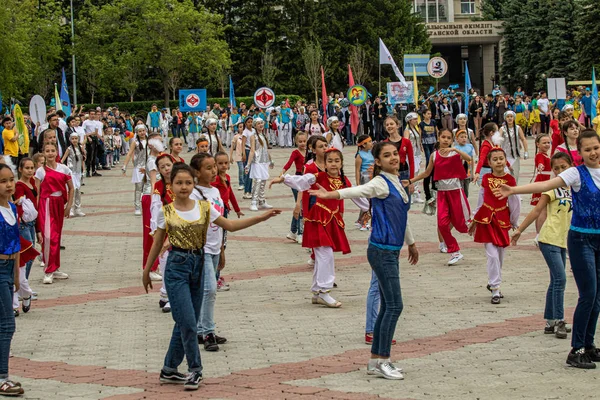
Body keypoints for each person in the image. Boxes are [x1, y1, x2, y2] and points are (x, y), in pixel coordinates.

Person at [142, 163, 279, 390]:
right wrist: (147, 271)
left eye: (188, 182)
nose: (184, 187)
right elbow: (157, 242)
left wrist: (261, 219)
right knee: (187, 322)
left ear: (194, 184)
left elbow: (231, 226)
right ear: (171, 185)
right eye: (179, 183)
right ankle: (195, 370)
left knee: (188, 321)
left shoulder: (205, 207)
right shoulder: (165, 211)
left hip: (199, 263)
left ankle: (169, 369)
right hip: (176, 268)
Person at [308, 141, 419, 380]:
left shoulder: (398, 182)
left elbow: (401, 216)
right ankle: (383, 360)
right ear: (377, 161)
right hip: (381, 250)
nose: (393, 158)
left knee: (388, 306)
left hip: (391, 249)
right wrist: (331, 194)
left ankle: (375, 361)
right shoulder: (380, 182)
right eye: (387, 156)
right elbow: (358, 191)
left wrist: (411, 242)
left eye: (395, 154)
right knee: (395, 306)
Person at [494, 129, 600, 369]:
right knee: (589, 293)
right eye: (587, 149)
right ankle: (577, 349)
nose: (593, 152)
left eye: (596, 147)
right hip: (581, 239)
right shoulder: (575, 173)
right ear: (580, 153)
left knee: (598, 297)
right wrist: (513, 190)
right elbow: (545, 184)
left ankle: (590, 346)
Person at [270, 148, 365, 307]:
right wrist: (283, 179)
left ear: (341, 163)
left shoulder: (344, 181)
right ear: (325, 164)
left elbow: (356, 195)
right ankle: (324, 291)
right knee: (325, 255)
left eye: (337, 161)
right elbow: (301, 181)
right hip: (318, 220)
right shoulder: (318, 176)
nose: (334, 164)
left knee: (323, 255)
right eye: (330, 161)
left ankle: (317, 291)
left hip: (332, 220)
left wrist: (371, 207)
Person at [511, 152, 573, 339]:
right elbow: (537, 210)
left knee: (556, 280)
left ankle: (550, 321)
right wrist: (520, 230)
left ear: (571, 166)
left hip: (563, 240)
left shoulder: (574, 188)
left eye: (564, 167)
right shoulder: (551, 190)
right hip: (548, 239)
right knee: (561, 279)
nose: (560, 171)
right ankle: (560, 320)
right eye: (556, 168)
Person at [408, 129, 472, 265]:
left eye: (449, 138)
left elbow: (469, 159)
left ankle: (483, 225)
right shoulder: (434, 155)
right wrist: (410, 181)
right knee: (442, 224)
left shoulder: (455, 153)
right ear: (438, 138)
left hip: (456, 192)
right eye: (443, 137)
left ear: (452, 140)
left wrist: (455, 149)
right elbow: (426, 173)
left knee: (462, 224)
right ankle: (455, 251)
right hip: (442, 193)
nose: (446, 140)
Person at [469, 147, 520, 304]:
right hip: (486, 220)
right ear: (489, 163)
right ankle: (495, 289)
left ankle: (493, 281)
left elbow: (514, 202)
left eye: (501, 158)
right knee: (491, 255)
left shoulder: (510, 180)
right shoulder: (486, 179)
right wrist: (474, 219)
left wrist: (514, 221)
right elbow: (481, 199)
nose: (499, 161)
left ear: (505, 160)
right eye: (495, 159)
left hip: (502, 220)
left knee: (499, 255)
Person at [0, 163, 26, 396]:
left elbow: (16, 243)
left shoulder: (12, 207)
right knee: (7, 324)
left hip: (9, 267)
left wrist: (16, 273)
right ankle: (2, 377)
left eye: (11, 180)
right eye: (3, 181)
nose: (9, 185)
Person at [35, 143, 74, 285]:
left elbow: (71, 188)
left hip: (58, 204)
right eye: (47, 151)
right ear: (43, 153)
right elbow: (37, 192)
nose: (50, 153)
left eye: (53, 151)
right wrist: (35, 210)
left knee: (56, 236)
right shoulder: (40, 171)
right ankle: (48, 270)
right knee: (48, 237)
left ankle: (55, 267)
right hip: (46, 204)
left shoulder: (64, 169)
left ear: (57, 152)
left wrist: (68, 206)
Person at [149, 153, 176, 313]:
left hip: (181, 227)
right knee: (165, 262)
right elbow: (155, 209)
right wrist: (155, 230)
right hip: (165, 228)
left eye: (168, 165)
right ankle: (166, 295)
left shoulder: (180, 181)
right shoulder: (159, 187)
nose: (166, 169)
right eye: (162, 167)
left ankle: (168, 295)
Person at [281, 131, 307, 243]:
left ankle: (292, 231)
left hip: (307, 180)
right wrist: (281, 173)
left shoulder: (309, 152)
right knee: (300, 206)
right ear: (296, 141)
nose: (302, 143)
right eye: (300, 141)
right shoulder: (295, 152)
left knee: (300, 206)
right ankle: (300, 233)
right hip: (297, 180)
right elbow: (289, 163)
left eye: (304, 141)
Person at [246, 118, 274, 211]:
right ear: (255, 125)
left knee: (263, 181)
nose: (261, 125)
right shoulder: (253, 136)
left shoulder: (263, 135)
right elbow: (252, 150)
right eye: (258, 123)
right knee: (257, 181)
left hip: (264, 161)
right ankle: (253, 202)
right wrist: (248, 164)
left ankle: (261, 201)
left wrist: (270, 160)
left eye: (262, 123)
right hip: (257, 161)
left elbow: (265, 149)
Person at [121, 125, 148, 216]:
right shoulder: (135, 142)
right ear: (137, 132)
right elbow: (129, 154)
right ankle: (137, 207)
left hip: (148, 167)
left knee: (147, 188)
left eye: (143, 130)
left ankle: (147, 205)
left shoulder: (150, 141)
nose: (142, 133)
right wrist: (125, 165)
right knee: (139, 188)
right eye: (140, 131)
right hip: (139, 168)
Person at [61, 132, 86, 217]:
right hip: (71, 172)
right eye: (73, 139)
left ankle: (77, 208)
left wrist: (84, 170)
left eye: (76, 138)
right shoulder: (69, 149)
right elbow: (63, 159)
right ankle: (70, 208)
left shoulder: (80, 148)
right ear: (70, 140)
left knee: (78, 190)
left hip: (78, 172)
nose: (74, 140)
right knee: (72, 189)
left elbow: (82, 160)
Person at [500, 111, 528, 183]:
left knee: (515, 176)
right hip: (505, 155)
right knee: (505, 176)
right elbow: (498, 140)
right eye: (508, 117)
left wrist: (526, 151)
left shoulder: (518, 128)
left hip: (515, 155)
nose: (510, 118)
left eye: (511, 117)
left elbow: (523, 139)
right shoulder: (502, 129)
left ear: (514, 118)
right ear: (505, 118)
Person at [354, 135, 375, 231]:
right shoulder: (360, 155)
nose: (371, 143)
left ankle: (359, 220)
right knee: (366, 202)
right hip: (365, 179)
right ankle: (364, 222)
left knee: (369, 201)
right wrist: (358, 183)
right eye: (369, 142)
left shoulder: (372, 153)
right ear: (363, 144)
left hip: (372, 177)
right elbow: (357, 170)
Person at [403, 113, 424, 203]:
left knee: (416, 173)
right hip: (411, 154)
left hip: (417, 154)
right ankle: (409, 194)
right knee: (412, 174)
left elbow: (418, 140)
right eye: (414, 119)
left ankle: (415, 193)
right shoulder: (407, 130)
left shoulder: (416, 129)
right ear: (409, 120)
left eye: (416, 119)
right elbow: (406, 142)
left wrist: (420, 146)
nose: (416, 121)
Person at [530, 135, 552, 209]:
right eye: (544, 143)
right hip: (543, 180)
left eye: (548, 142)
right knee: (541, 208)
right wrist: (540, 165)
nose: (547, 145)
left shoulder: (545, 155)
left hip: (547, 180)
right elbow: (540, 162)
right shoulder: (540, 155)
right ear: (538, 144)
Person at [453, 130, 475, 197]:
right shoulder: (455, 148)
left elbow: (472, 159)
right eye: (461, 137)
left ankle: (465, 203)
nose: (464, 138)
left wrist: (472, 173)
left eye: (465, 137)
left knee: (466, 190)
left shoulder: (470, 146)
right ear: (457, 139)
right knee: (460, 189)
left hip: (468, 171)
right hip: (459, 172)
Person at [229, 123, 245, 190]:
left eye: (243, 127)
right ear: (238, 128)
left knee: (246, 170)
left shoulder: (247, 136)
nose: (242, 128)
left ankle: (247, 183)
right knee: (241, 170)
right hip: (238, 156)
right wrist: (230, 156)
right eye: (240, 127)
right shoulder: (236, 136)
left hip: (246, 156)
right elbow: (232, 147)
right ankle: (241, 183)